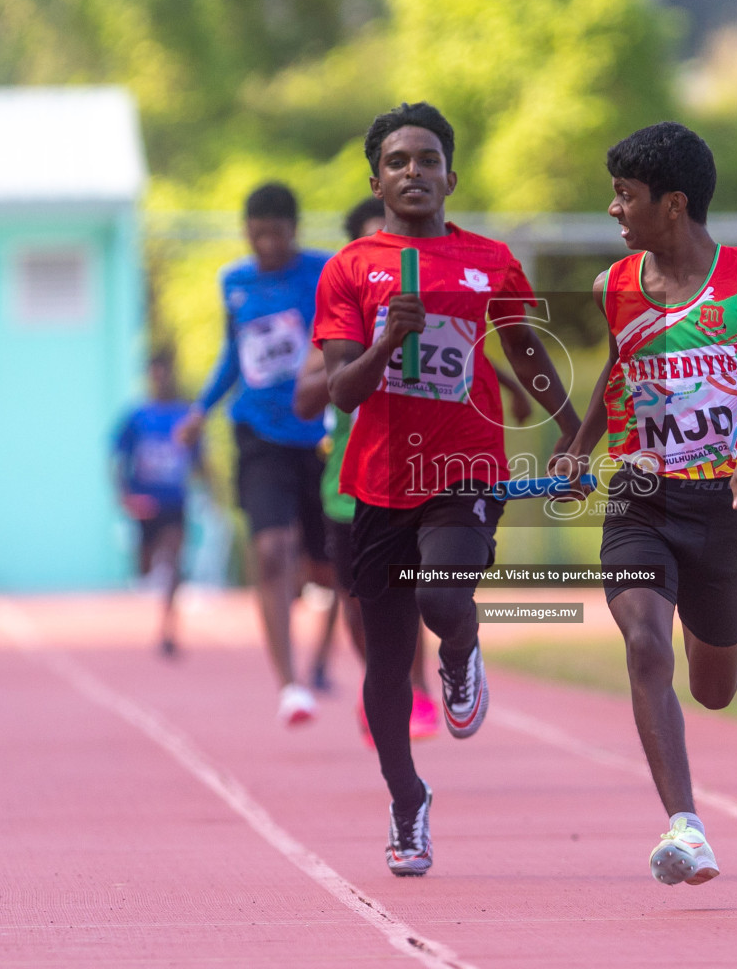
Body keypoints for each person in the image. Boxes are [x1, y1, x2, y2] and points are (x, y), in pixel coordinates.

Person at [313, 102, 580, 876]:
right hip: (378, 481)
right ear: (377, 179)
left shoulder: (489, 261)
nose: (413, 173)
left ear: (449, 175)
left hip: (461, 469)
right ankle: (406, 801)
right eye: (397, 162)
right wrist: (388, 339)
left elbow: (524, 348)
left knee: (442, 598)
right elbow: (341, 390)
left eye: (427, 160)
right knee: (387, 658)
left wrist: (568, 426)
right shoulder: (350, 270)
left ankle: (460, 651)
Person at [550, 122, 737, 886]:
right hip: (637, 494)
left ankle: (705, 633)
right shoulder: (614, 286)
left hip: (720, 504)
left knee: (711, 687)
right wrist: (582, 446)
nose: (611, 209)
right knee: (642, 645)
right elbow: (617, 371)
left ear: (672, 204)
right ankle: (685, 828)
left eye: (623, 196)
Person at [297, 197, 536, 742]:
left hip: (432, 469)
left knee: (429, 588)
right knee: (360, 601)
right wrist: (374, 349)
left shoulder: (433, 290)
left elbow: (464, 350)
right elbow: (313, 395)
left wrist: (511, 387)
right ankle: (380, 679)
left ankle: (422, 689)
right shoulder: (343, 300)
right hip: (350, 480)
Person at [176, 183, 332, 727]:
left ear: (295, 230)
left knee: (329, 570)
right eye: (256, 233)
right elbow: (233, 354)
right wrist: (201, 408)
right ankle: (290, 685)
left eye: (276, 233)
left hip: (320, 434)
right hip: (258, 434)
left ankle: (328, 657)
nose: (266, 243)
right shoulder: (235, 282)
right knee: (270, 550)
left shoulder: (326, 272)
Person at [113, 351, 202, 658]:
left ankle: (168, 630)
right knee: (146, 567)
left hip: (174, 501)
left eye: (164, 373)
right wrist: (121, 494)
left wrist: (209, 489)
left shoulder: (185, 416)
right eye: (155, 374)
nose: (160, 379)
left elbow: (199, 460)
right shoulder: (137, 417)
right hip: (145, 503)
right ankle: (149, 603)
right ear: (149, 377)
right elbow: (116, 456)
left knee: (173, 561)